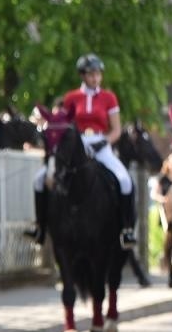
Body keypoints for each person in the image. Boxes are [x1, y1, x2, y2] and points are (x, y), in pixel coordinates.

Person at [28, 54, 137, 249]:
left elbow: (117, 130)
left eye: (98, 74)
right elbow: (62, 124)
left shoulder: (108, 97)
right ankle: (40, 227)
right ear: (83, 76)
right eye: (91, 74)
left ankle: (126, 229)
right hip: (74, 144)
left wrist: (103, 143)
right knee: (39, 179)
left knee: (125, 180)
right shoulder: (71, 97)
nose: (95, 78)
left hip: (100, 142)